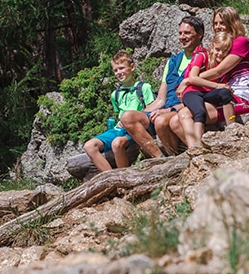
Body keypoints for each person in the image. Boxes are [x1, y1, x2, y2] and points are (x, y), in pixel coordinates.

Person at [170, 6, 249, 146]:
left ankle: (221, 142)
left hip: (240, 95)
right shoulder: (220, 47)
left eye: (222, 23)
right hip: (225, 93)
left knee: (186, 114)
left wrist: (189, 80)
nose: (218, 27)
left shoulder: (240, 42)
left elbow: (219, 72)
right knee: (174, 122)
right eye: (215, 23)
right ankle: (201, 152)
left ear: (232, 22)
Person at [120, 16, 205, 157]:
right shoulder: (172, 61)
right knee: (127, 117)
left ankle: (175, 156)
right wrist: (141, 115)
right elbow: (160, 100)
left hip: (184, 108)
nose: (182, 37)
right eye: (180, 33)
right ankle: (161, 158)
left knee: (160, 121)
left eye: (187, 33)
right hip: (166, 108)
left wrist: (168, 110)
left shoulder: (203, 58)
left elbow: (201, 96)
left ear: (200, 34)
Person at [83, 51, 155, 172]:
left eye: (121, 68)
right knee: (89, 146)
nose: (119, 72)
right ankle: (112, 178)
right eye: (116, 70)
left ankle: (125, 177)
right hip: (119, 129)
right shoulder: (115, 94)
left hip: (136, 128)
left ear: (132, 67)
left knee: (117, 144)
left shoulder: (144, 87)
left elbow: (151, 108)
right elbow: (118, 114)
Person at [178, 31, 235, 147]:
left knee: (225, 93)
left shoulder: (225, 63)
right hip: (192, 91)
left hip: (207, 92)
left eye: (225, 51)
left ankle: (232, 130)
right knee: (199, 111)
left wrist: (222, 88)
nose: (220, 54)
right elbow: (193, 78)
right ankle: (198, 146)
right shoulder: (202, 56)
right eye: (218, 50)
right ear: (212, 47)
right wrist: (217, 86)